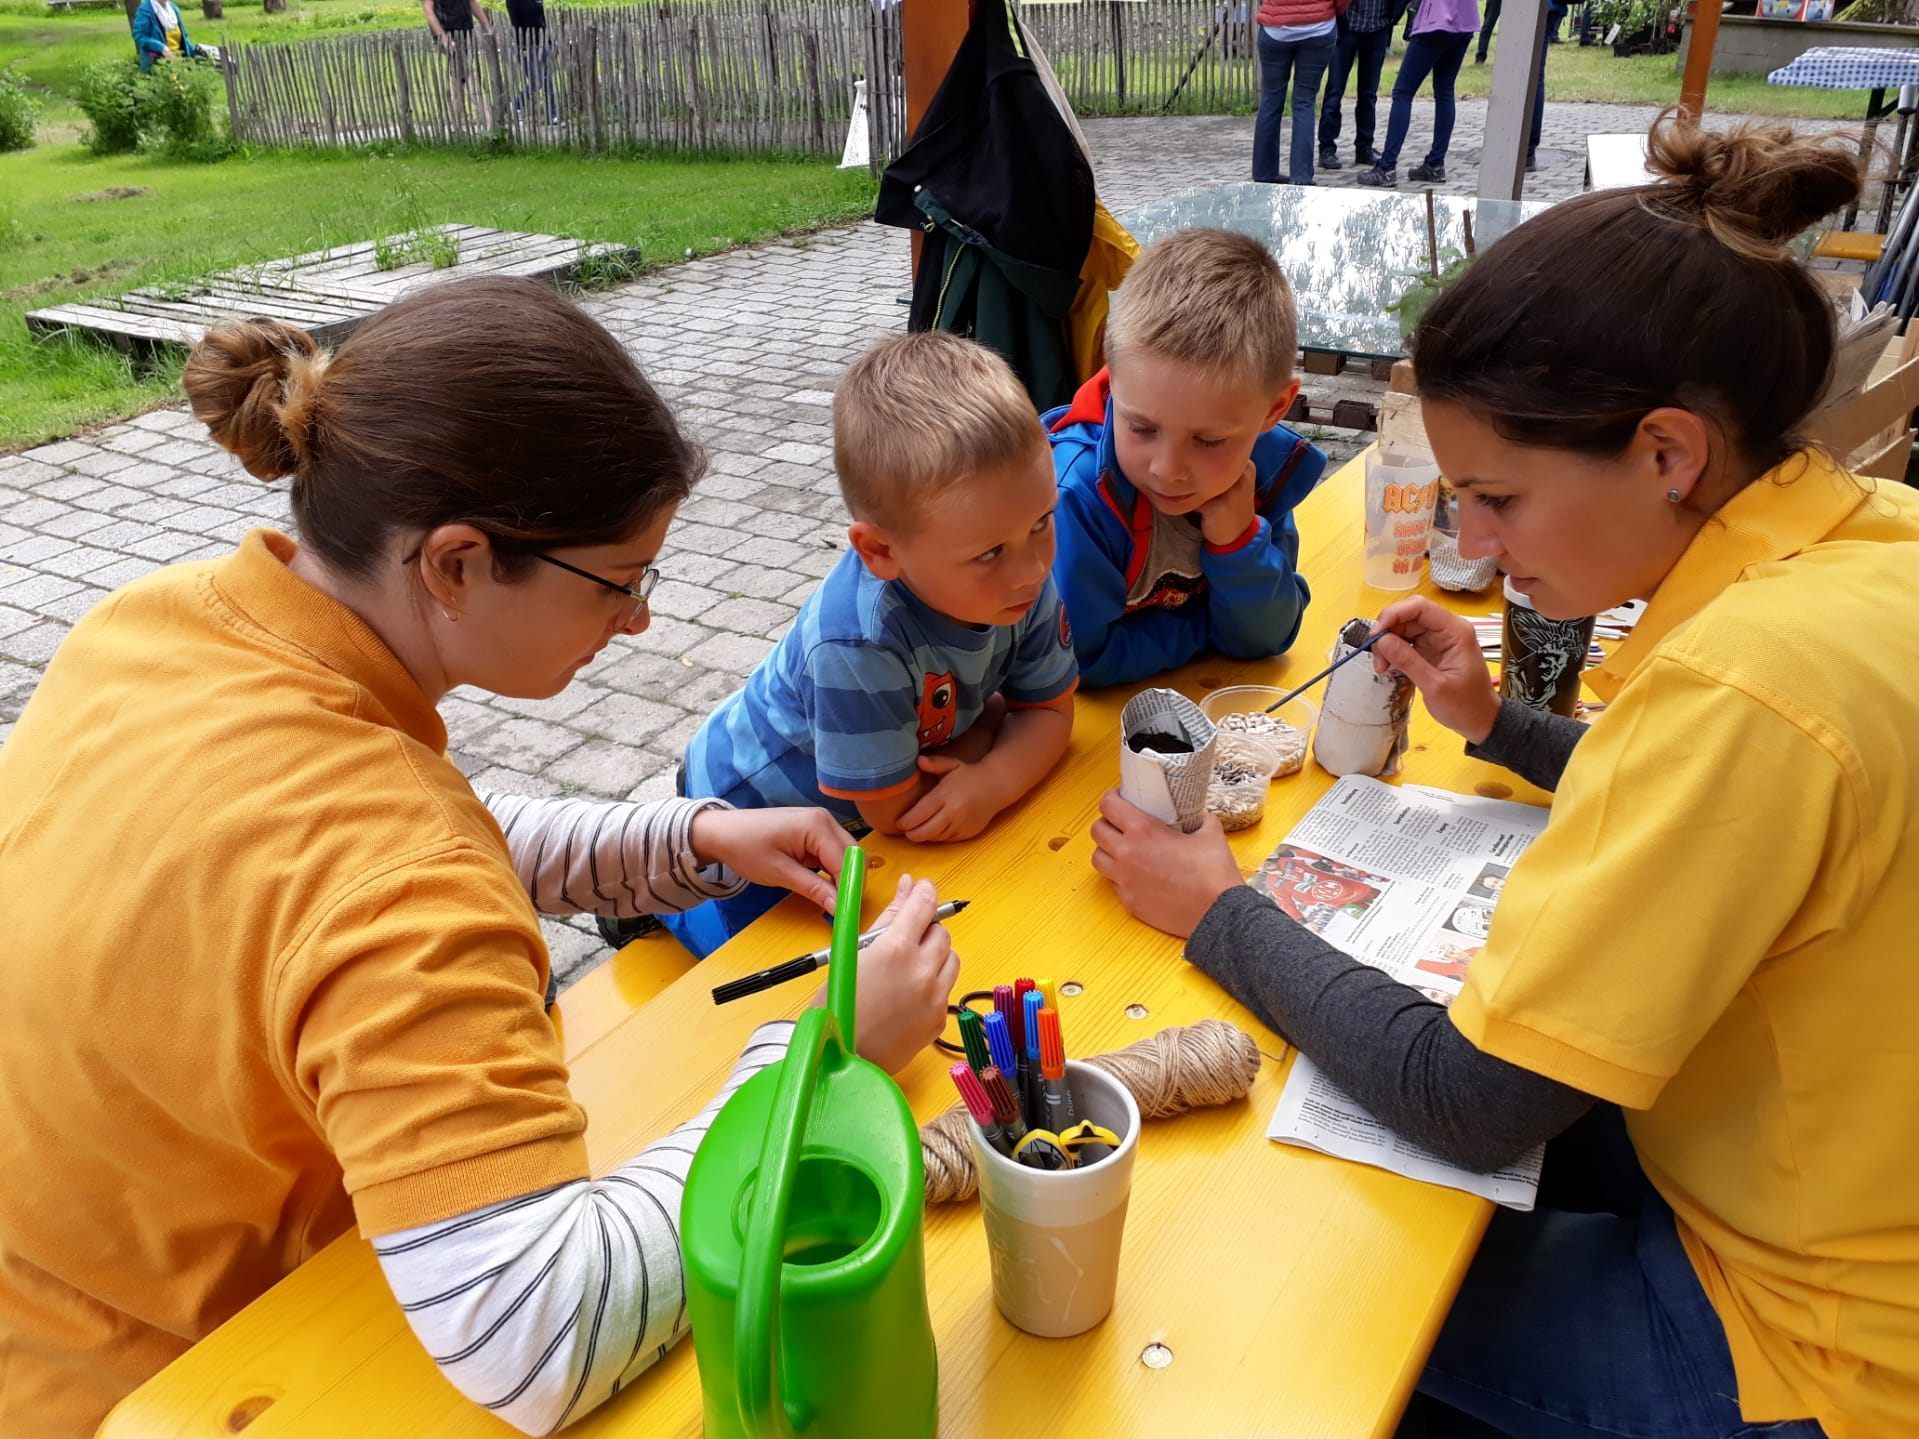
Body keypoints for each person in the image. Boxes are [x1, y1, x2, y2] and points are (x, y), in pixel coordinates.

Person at [0, 278, 960, 1439]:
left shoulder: (157, 622)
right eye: (620, 580)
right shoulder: (398, 875)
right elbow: (540, 1336)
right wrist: (820, 1054)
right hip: (170, 1388)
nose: (640, 620)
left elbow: (324, 857)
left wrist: (688, 838)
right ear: (454, 563)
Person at [1091, 118, 1919, 1437]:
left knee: (1282, 1284)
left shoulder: (1738, 682)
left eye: (1497, 498)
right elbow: (1715, 803)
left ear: (1663, 452)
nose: (1466, 540)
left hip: (1814, 1348)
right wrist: (1493, 721)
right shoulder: (1860, 532)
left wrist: (1218, 911)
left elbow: (1469, 1099)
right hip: (1813, 1179)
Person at [659, 332, 1078, 958]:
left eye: (1043, 522)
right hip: (749, 804)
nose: (1031, 568)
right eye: (989, 552)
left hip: (862, 799)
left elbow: (1050, 711)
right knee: (758, 954)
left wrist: (989, 782)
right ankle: (664, 907)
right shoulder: (857, 640)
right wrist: (1000, 729)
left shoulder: (1015, 576)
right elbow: (898, 810)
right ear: (880, 551)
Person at [1043, 228, 1326, 688]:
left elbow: (1268, 637)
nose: (1166, 470)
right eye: (1142, 428)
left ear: (1275, 408)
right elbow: (1078, 660)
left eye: (1209, 441)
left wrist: (1238, 545)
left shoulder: (1265, 472)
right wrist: (1205, 630)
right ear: (1112, 379)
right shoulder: (1076, 494)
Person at [1358, 0, 1480, 187]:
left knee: (1403, 93)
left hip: (1435, 19)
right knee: (1445, 90)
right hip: (1465, 18)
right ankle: (1435, 163)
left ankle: (1387, 167)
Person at [1252, 0, 1350, 186]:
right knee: (1304, 102)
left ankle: (1264, 172)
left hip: (1276, 29)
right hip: (1318, 28)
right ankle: (1301, 175)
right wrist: (1329, 9)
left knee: (1271, 100)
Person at [1317, 0, 1395, 171]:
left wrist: (1394, 15)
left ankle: (1364, 147)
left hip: (1378, 27)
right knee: (1334, 91)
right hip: (1346, 28)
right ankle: (1327, 148)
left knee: (1368, 95)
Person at [423, 0, 490, 122]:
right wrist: (443, 38)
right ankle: (489, 120)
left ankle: (457, 125)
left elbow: (472, 2)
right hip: (449, 34)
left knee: (458, 81)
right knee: (470, 76)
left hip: (466, 32)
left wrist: (487, 27)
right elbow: (428, 10)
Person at [131, 0, 205, 70]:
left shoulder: (173, 8)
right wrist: (161, 47)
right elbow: (139, 36)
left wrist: (195, 53)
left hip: (180, 59)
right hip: (158, 64)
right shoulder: (145, 10)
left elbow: (184, 37)